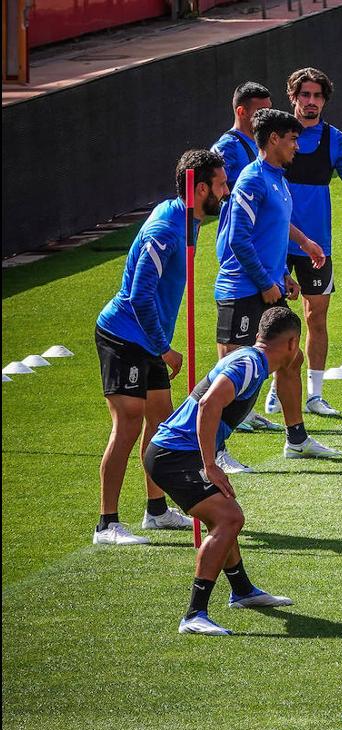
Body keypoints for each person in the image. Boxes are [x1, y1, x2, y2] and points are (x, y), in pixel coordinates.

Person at [92, 150, 228, 545]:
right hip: (124, 337)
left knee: (161, 422)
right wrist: (162, 347)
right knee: (129, 424)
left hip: (147, 339)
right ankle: (107, 524)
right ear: (199, 188)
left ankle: (156, 511)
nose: (226, 190)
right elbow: (139, 296)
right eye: (220, 185)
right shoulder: (165, 231)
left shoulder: (192, 219)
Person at [144, 306, 303, 634]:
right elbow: (208, 404)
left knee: (225, 516)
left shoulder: (251, 362)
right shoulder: (247, 365)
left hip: (178, 453)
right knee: (230, 518)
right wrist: (210, 464)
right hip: (174, 455)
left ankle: (242, 590)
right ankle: (194, 614)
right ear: (291, 343)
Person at [215, 107, 340, 469]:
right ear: (273, 140)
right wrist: (266, 281)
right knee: (239, 372)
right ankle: (215, 448)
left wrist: (305, 246)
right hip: (242, 290)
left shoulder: (277, 178)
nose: (297, 146)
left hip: (267, 285)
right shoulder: (252, 180)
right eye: (292, 139)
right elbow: (238, 239)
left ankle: (296, 439)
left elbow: (277, 224)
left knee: (290, 358)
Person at [257, 68, 342, 418]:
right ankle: (276, 388)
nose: (311, 102)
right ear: (293, 98)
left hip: (318, 246)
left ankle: (315, 395)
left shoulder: (335, 140)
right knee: (275, 320)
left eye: (317, 96)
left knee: (315, 318)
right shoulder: (277, 139)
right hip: (278, 245)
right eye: (304, 95)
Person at [211, 82, 271, 187]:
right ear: (241, 112)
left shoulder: (264, 143)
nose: (268, 117)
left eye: (269, 111)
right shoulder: (228, 145)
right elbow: (211, 189)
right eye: (261, 112)